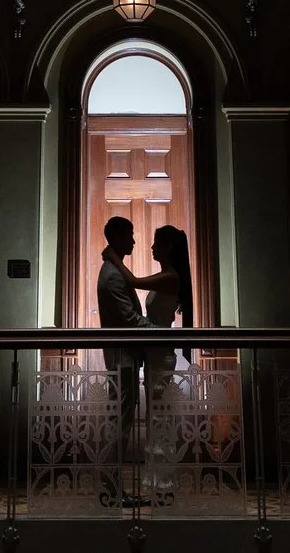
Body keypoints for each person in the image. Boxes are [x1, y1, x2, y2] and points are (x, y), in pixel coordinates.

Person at [133, 225, 193, 502]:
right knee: (156, 418)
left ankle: (165, 484)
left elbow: (133, 280)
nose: (152, 247)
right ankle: (159, 483)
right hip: (154, 354)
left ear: (168, 246)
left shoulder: (170, 277)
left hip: (162, 355)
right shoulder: (165, 275)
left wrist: (111, 259)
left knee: (161, 420)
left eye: (156, 242)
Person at [98, 216, 152, 506]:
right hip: (123, 359)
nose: (133, 241)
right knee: (119, 425)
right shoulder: (113, 276)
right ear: (117, 237)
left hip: (125, 356)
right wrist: (159, 333)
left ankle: (113, 489)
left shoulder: (114, 271)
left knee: (120, 423)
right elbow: (129, 319)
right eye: (129, 235)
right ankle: (110, 489)